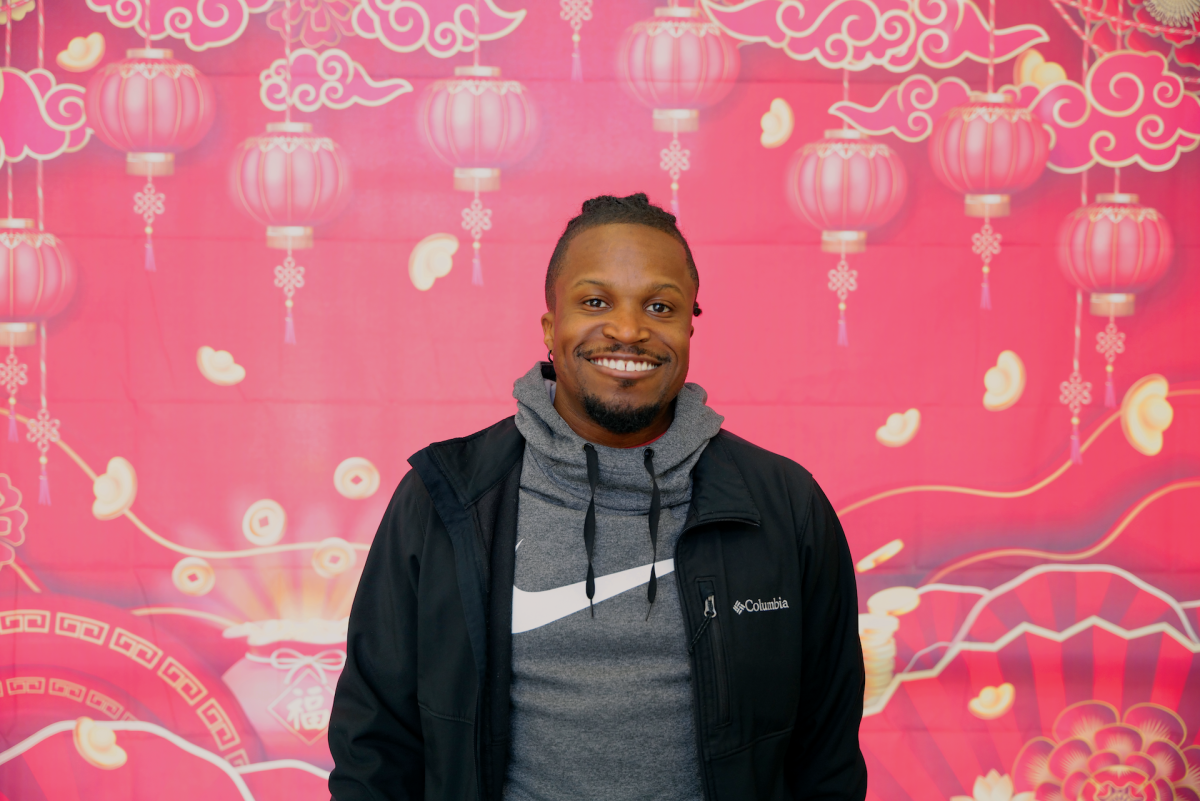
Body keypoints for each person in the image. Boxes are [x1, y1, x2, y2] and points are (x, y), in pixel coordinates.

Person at [328, 193, 867, 801]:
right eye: (595, 301)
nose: (629, 330)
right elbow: (374, 742)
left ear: (690, 324)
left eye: (659, 306)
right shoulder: (446, 498)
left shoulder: (784, 506)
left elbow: (828, 752)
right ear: (550, 327)